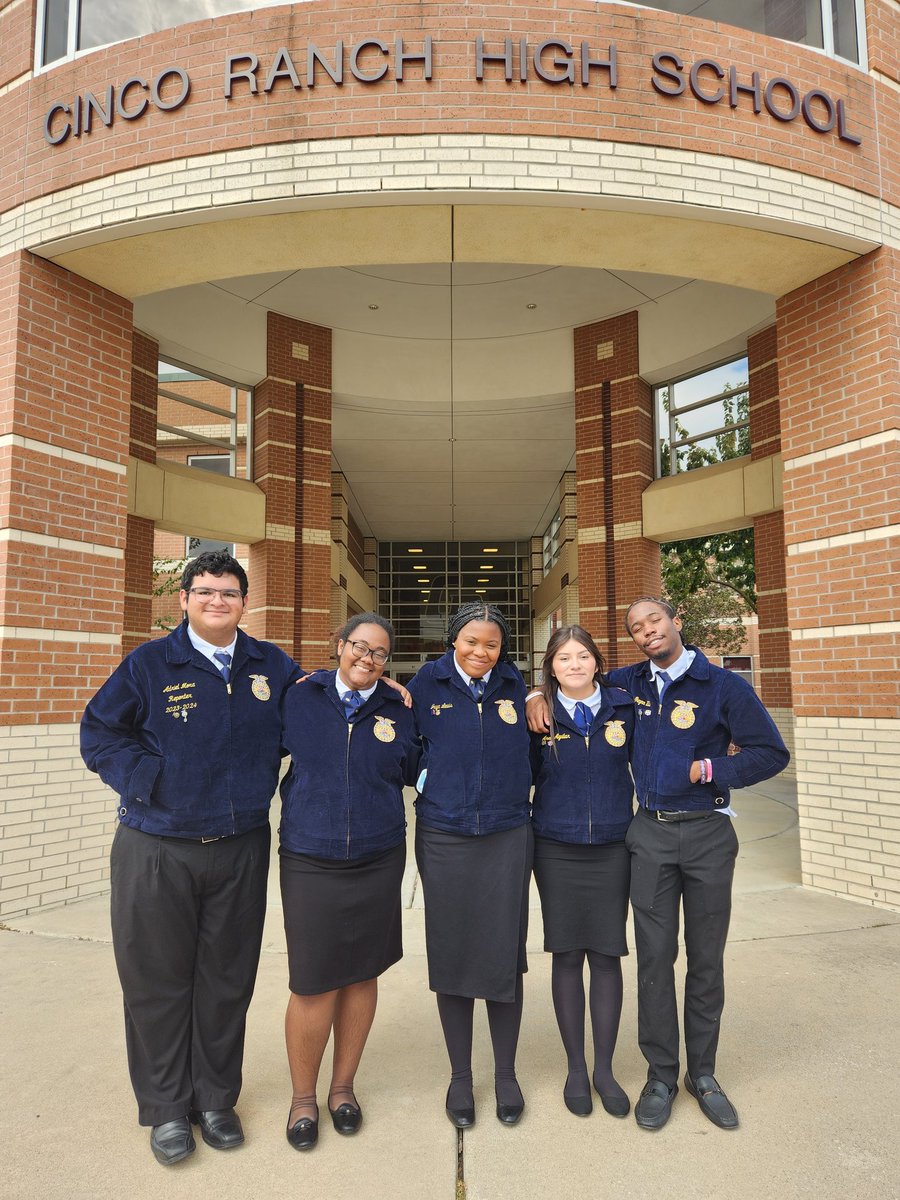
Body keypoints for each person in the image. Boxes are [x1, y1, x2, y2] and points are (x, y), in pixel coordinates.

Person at [527, 596, 789, 1131]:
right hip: (648, 834)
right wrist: (535, 692)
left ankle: (704, 1074)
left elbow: (770, 752)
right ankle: (662, 1075)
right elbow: (574, 675)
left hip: (708, 833)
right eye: (636, 628)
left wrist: (711, 769)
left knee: (706, 959)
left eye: (655, 621)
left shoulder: (723, 685)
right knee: (653, 959)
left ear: (676, 623)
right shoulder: (632, 684)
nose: (647, 632)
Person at [80, 551, 301, 1166]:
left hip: (240, 847)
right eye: (204, 591)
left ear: (244, 602)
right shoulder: (150, 664)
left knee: (227, 982)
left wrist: (384, 689)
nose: (216, 601)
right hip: (157, 847)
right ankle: (167, 1108)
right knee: (157, 983)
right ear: (183, 599)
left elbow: (320, 708)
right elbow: (100, 733)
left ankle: (215, 1100)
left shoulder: (271, 666)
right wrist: (149, 782)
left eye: (228, 593)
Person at [278, 613, 418, 1152]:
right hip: (310, 855)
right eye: (360, 646)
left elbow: (417, 768)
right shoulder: (299, 697)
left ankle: (342, 1089)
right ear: (339, 646)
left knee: (362, 974)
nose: (368, 658)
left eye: (380, 653)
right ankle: (302, 1099)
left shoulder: (397, 709)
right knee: (313, 981)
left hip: (377, 856)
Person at [408, 602, 532, 1128]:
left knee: (504, 952)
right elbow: (403, 746)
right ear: (453, 641)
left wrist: (538, 693)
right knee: (453, 951)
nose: (481, 652)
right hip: (444, 833)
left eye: (492, 644)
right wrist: (430, 777)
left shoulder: (515, 685)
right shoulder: (425, 684)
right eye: (471, 642)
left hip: (507, 832)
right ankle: (461, 1076)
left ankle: (505, 1073)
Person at [529, 626, 635, 1119]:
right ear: (551, 667)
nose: (574, 665)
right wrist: (531, 696)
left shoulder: (624, 708)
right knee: (567, 955)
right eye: (564, 658)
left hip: (613, 846)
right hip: (555, 848)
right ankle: (575, 1067)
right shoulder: (538, 715)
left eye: (583, 656)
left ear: (597, 662)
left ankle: (605, 1070)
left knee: (608, 956)